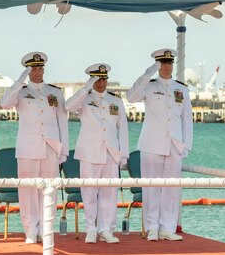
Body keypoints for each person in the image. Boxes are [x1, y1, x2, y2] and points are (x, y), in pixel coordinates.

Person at [0, 52, 69, 244]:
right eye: (33, 68)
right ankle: (30, 230)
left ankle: (46, 229)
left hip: (51, 147)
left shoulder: (55, 92)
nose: (37, 71)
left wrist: (64, 150)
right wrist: (20, 80)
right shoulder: (20, 92)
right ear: (28, 71)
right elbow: (4, 103)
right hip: (28, 148)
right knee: (28, 190)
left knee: (49, 190)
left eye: (40, 68)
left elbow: (63, 121)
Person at [126, 48, 192, 241]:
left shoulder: (181, 88)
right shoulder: (149, 85)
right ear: (157, 65)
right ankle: (152, 227)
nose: (166, 67)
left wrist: (186, 145)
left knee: (172, 188)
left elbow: (187, 120)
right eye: (162, 63)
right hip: (152, 143)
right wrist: (149, 72)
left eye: (169, 63)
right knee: (152, 187)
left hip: (174, 144)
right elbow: (131, 96)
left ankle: (167, 227)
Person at [65, 63, 129, 244]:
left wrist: (123, 154)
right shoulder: (84, 98)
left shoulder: (115, 100)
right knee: (89, 192)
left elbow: (122, 128)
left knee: (110, 193)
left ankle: (106, 229)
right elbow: (68, 106)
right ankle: (91, 228)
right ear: (91, 80)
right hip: (89, 152)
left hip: (110, 152)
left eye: (103, 78)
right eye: (97, 79)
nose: (101, 83)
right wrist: (86, 88)